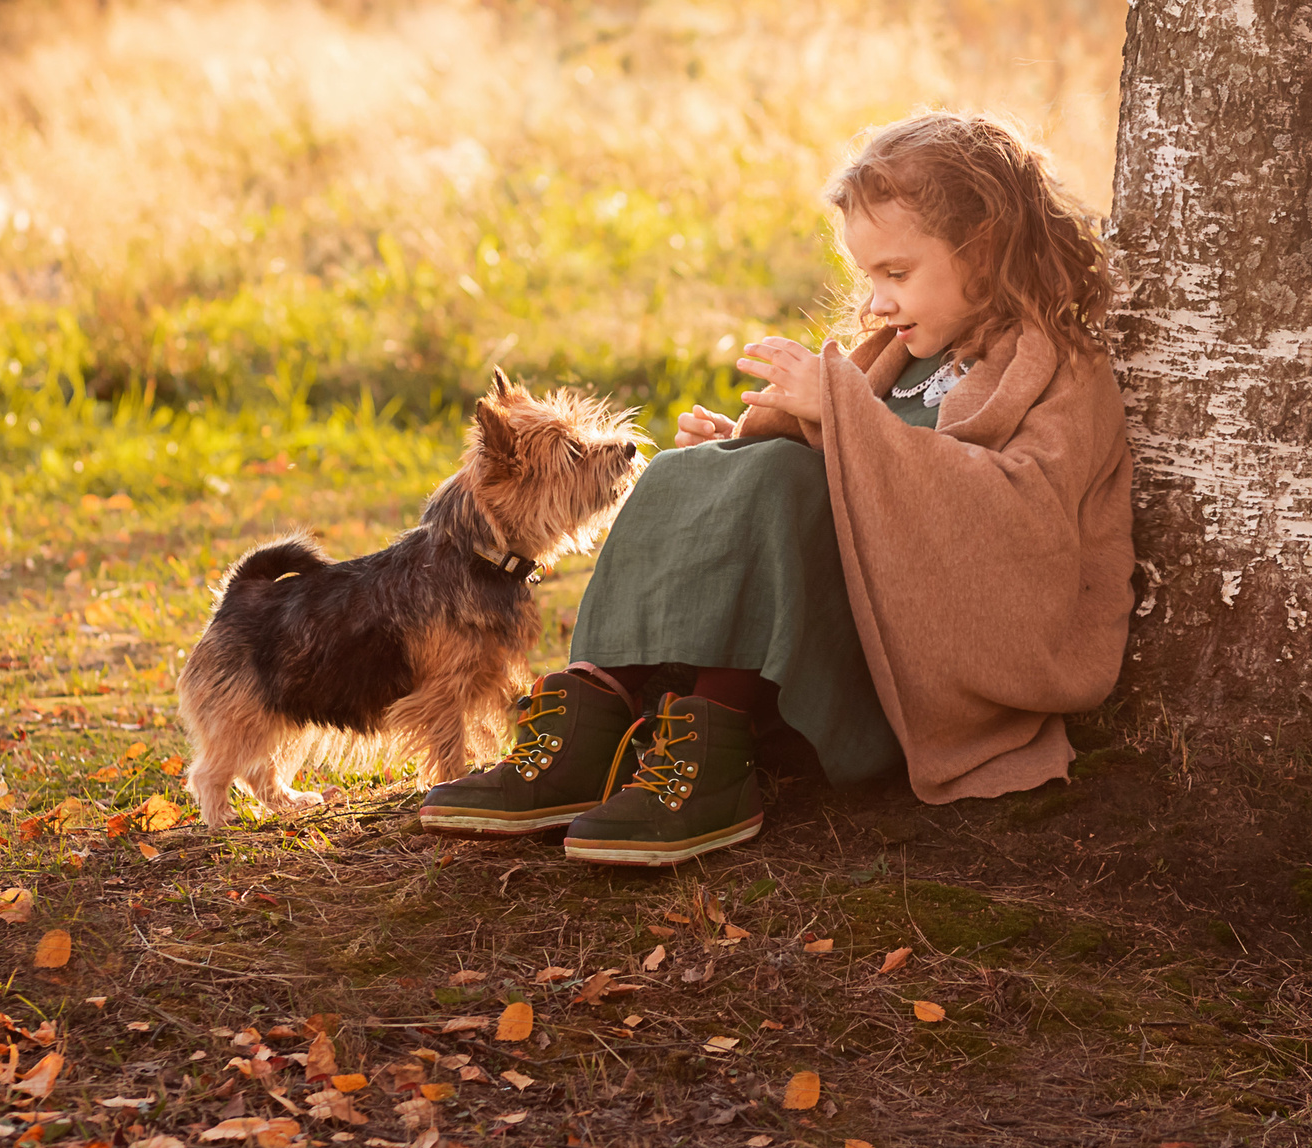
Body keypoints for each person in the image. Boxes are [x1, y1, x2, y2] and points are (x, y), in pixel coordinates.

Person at [416, 112, 1136, 866]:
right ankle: (590, 725)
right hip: (826, 629)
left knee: (777, 476)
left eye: (897, 274)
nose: (877, 302)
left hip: (918, 671)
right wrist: (739, 446)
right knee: (683, 471)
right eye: (869, 277)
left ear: (982, 250)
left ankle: (712, 758)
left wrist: (837, 413)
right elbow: (843, 460)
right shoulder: (893, 355)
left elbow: (1023, 526)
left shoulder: (1058, 371)